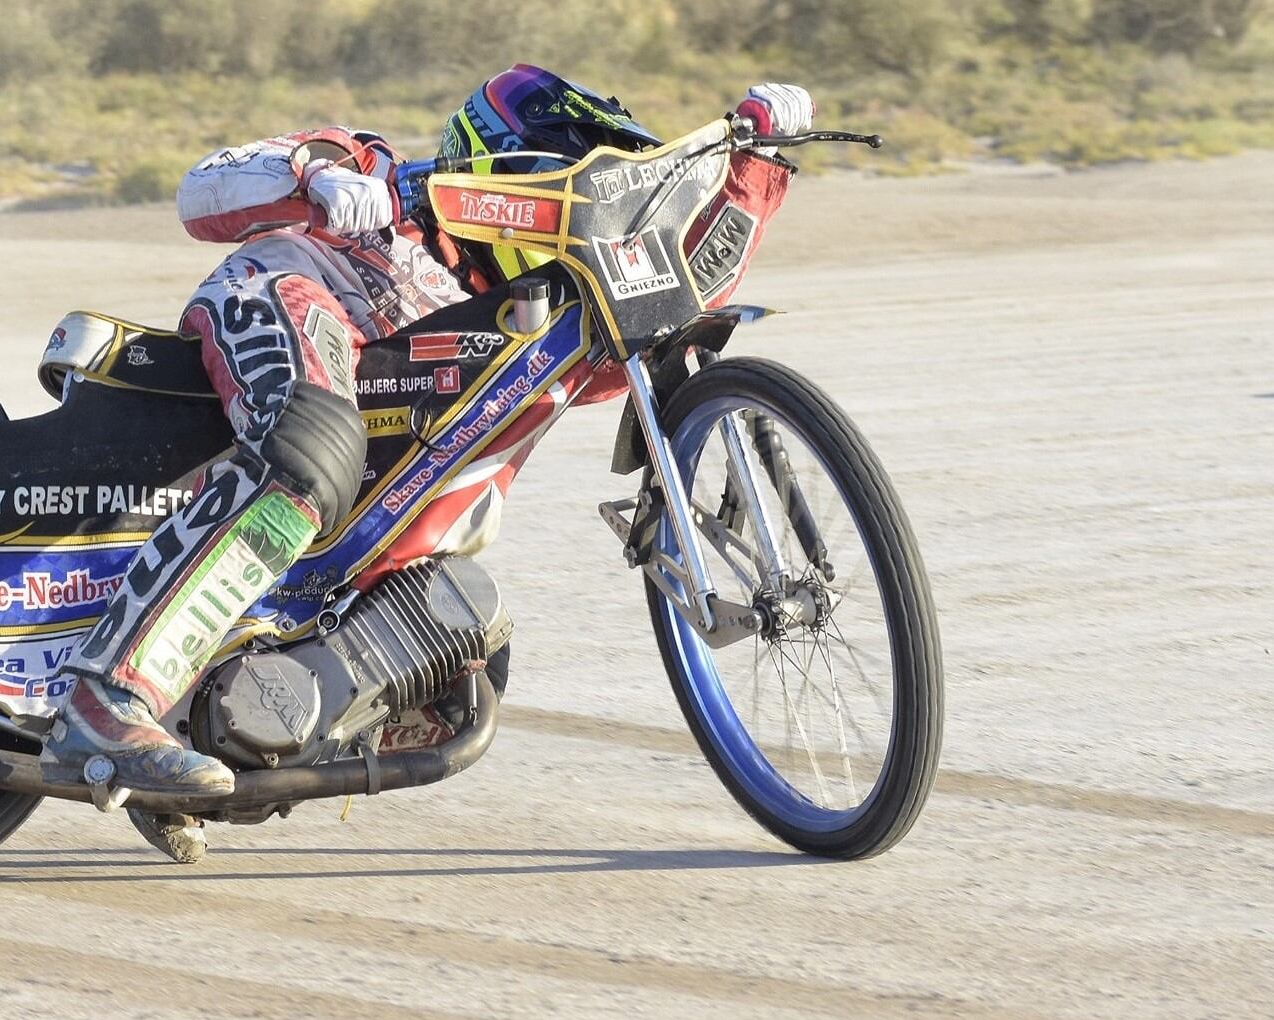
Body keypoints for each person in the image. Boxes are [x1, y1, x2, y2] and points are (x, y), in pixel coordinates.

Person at [40, 65, 815, 857]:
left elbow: (658, 321)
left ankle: (209, 732)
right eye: (556, 166)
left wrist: (759, 165)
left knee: (458, 665)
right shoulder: (382, 176)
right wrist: (317, 177)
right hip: (281, 298)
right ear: (493, 153)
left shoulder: (552, 313)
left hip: (370, 527)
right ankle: (107, 701)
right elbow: (200, 195)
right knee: (311, 458)